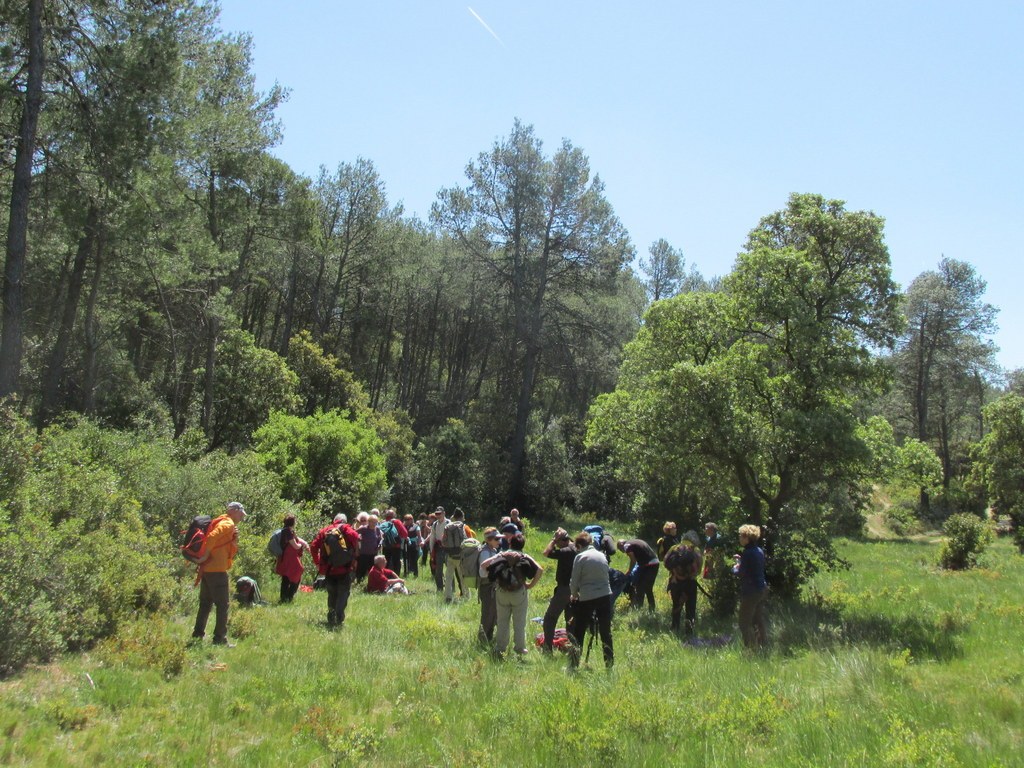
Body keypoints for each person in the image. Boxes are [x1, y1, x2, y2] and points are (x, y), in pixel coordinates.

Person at [191, 501, 246, 647]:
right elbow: (212, 537)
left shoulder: (220, 520)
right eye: (241, 513)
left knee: (205, 604)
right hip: (217, 570)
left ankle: (197, 635)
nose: (242, 517)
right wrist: (204, 556)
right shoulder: (227, 523)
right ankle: (219, 639)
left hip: (208, 569)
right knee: (223, 605)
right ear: (234, 511)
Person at [480, 533, 543, 659]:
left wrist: (494, 578)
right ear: (522, 545)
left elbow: (484, 565)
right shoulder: (523, 556)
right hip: (519, 593)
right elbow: (540, 569)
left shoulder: (502, 554)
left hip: (502, 592)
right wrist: (530, 585)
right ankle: (520, 648)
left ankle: (500, 648)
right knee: (519, 622)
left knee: (502, 621)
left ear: (510, 543)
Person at [567, 531, 613, 669]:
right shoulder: (602, 555)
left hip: (587, 597)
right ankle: (609, 664)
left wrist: (574, 594)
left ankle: (573, 665)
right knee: (606, 631)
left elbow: (574, 581)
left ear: (579, 545)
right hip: (605, 595)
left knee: (579, 630)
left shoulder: (580, 557)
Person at [310, 513, 360, 629]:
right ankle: (339, 614)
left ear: (334, 520)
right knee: (343, 592)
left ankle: (331, 615)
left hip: (329, 568)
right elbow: (357, 538)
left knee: (332, 593)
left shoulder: (325, 531)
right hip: (344, 568)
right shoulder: (347, 529)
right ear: (344, 521)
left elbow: (313, 546)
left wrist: (317, 563)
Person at [541, 527, 577, 653]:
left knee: (550, 618)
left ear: (562, 541)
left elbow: (546, 553)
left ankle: (547, 649)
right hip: (576, 590)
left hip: (564, 589)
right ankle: (573, 648)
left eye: (558, 543)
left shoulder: (566, 551)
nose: (556, 545)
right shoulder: (576, 548)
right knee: (571, 620)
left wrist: (553, 540)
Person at [735, 524, 769, 649]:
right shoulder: (758, 550)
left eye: (740, 535)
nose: (739, 538)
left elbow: (741, 572)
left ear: (746, 537)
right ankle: (762, 645)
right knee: (757, 619)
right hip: (762, 588)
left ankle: (750, 650)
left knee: (744, 622)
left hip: (751, 591)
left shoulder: (748, 552)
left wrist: (735, 567)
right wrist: (741, 561)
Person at [665, 531, 703, 636]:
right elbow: (699, 568)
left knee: (676, 605)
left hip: (675, 581)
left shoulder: (674, 548)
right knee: (690, 607)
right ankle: (689, 631)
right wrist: (691, 574)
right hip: (690, 583)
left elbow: (665, 562)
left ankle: (675, 627)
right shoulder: (695, 550)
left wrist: (675, 574)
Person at [618, 537, 660, 612]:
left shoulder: (626, 546)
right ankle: (651, 609)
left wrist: (628, 572)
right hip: (654, 562)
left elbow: (633, 560)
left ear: (621, 545)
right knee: (648, 588)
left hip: (649, 565)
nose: (623, 552)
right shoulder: (634, 541)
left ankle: (639, 609)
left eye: (621, 550)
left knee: (640, 587)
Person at [275, 512, 308, 603]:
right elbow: (295, 545)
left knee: (286, 577)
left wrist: (303, 543)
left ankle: (284, 598)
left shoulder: (285, 530)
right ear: (292, 522)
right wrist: (301, 546)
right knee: (298, 572)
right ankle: (289, 596)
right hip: (290, 557)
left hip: (284, 557)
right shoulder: (288, 532)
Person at [476, 527, 501, 645]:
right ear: (489, 540)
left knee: (493, 613)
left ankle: (489, 636)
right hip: (487, 587)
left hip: (492, 586)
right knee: (487, 613)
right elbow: (484, 569)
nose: (499, 541)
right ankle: (483, 639)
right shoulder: (485, 552)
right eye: (496, 539)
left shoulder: (493, 551)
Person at [356, 513, 382, 583]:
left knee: (372, 569)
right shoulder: (364, 528)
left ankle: (372, 583)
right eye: (372, 522)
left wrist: (380, 544)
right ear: (369, 521)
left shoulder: (377, 529)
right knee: (362, 569)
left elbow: (380, 539)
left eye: (375, 522)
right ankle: (359, 582)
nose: (374, 523)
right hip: (364, 553)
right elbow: (354, 534)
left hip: (374, 553)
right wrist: (358, 539)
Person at [380, 508, 408, 574]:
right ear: (394, 515)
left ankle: (385, 575)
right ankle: (396, 577)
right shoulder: (397, 522)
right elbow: (405, 534)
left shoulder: (383, 523)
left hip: (386, 546)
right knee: (396, 562)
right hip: (396, 546)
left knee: (386, 561)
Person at [429, 506, 448, 591]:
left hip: (448, 549)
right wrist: (431, 550)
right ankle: (439, 588)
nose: (438, 515)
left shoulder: (449, 523)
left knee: (450, 570)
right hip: (439, 549)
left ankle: (451, 588)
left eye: (439, 513)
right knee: (438, 570)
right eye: (436, 514)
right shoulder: (434, 524)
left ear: (444, 513)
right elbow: (432, 537)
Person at [403, 513, 421, 577]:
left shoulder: (416, 526)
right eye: (406, 519)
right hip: (405, 544)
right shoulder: (403, 526)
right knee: (406, 558)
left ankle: (415, 574)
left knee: (414, 559)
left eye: (408, 519)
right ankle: (406, 572)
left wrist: (418, 545)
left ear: (412, 519)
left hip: (414, 545)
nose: (407, 521)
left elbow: (419, 536)